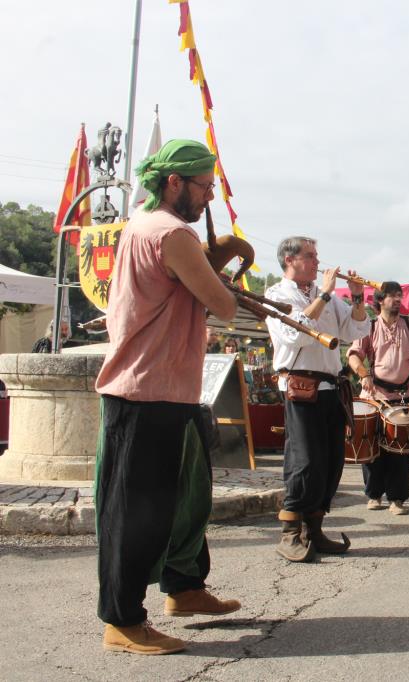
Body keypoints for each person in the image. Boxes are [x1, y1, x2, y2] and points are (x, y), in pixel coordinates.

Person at [93, 139, 241, 655]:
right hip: (147, 391)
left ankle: (185, 589)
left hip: (164, 390)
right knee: (138, 511)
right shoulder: (172, 233)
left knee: (177, 500)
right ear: (175, 183)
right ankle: (122, 620)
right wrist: (222, 262)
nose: (208, 200)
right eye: (203, 188)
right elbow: (222, 304)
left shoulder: (142, 224)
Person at [265, 238, 370, 562]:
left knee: (331, 461)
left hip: (330, 387)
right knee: (305, 461)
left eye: (316, 256)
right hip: (300, 386)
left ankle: (315, 528)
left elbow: (355, 331)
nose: (316, 262)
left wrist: (354, 297)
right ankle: (290, 531)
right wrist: (325, 294)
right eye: (309, 256)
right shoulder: (276, 295)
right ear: (289, 259)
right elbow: (296, 332)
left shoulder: (327, 298)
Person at [348, 281, 409, 515]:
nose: (397, 299)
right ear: (380, 300)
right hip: (376, 396)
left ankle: (397, 499)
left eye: (399, 295)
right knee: (373, 448)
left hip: (407, 395)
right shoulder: (370, 326)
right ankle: (374, 494)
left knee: (402, 450)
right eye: (392, 296)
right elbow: (354, 355)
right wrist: (363, 374)